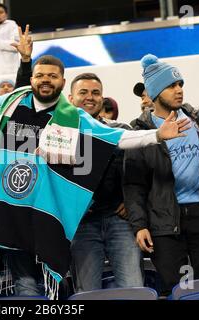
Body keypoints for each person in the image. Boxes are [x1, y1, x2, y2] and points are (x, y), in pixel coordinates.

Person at [0, 52, 188, 299]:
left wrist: (156, 135)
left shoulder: (74, 117)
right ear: (31, 79)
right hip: (11, 214)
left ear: (62, 82)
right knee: (26, 286)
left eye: (52, 76)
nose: (45, 80)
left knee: (50, 285)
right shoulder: (10, 104)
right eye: (40, 75)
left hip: (47, 216)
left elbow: (118, 137)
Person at [123, 54, 199, 296]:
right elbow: (133, 184)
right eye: (171, 86)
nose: (179, 90)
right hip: (165, 221)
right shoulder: (140, 132)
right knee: (178, 290)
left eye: (180, 85)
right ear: (155, 92)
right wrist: (140, 226)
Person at [69, 73, 143, 292]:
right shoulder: (59, 133)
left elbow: (138, 172)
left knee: (133, 290)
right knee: (86, 294)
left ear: (102, 98)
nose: (90, 97)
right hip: (81, 225)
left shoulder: (119, 131)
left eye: (95, 92)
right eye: (83, 92)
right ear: (71, 98)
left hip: (119, 221)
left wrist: (130, 202)